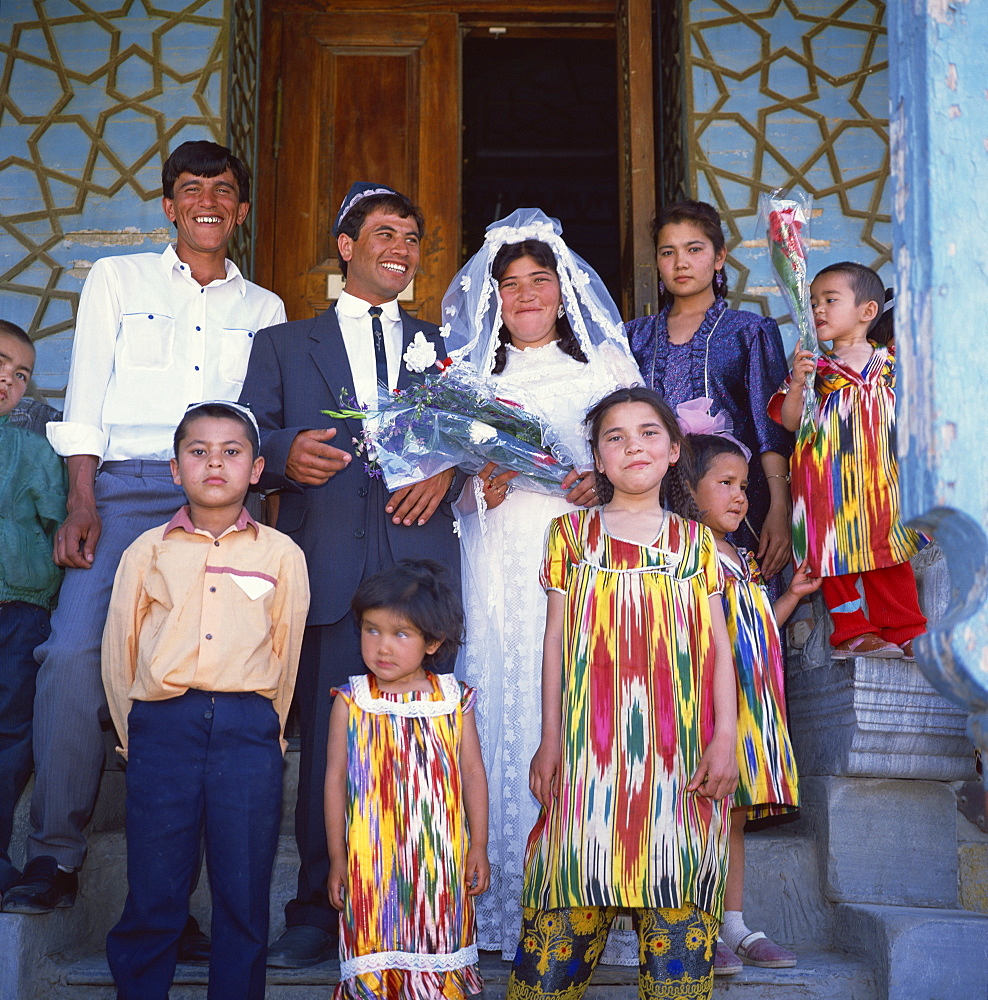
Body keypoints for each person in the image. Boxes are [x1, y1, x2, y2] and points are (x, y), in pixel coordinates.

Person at [1, 140, 285, 950]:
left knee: (203, 683)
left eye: (224, 190)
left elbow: (259, 420)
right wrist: (80, 498)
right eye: (191, 189)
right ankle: (54, 854)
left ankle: (178, 901)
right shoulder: (116, 281)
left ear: (240, 208)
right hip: (122, 490)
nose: (208, 201)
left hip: (222, 501)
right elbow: (87, 388)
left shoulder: (262, 308)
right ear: (168, 206)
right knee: (68, 658)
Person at [241, 182, 462, 967]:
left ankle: (412, 901)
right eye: (384, 233)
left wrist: (450, 472)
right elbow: (248, 437)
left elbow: (475, 438)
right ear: (346, 246)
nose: (399, 248)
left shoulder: (444, 343)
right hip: (326, 562)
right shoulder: (283, 344)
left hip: (420, 561)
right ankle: (313, 906)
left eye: (411, 237)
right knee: (332, 740)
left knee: (421, 741)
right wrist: (285, 453)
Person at [440, 208, 642, 957]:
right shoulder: (466, 379)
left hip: (582, 557)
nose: (526, 295)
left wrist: (603, 478)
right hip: (497, 554)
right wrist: (476, 490)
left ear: (563, 291)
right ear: (493, 296)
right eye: (510, 283)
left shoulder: (607, 371)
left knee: (578, 697)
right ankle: (498, 896)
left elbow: (643, 458)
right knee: (502, 687)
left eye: (539, 280)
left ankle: (584, 892)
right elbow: (444, 490)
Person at [506, 387, 738, 1000]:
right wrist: (550, 741)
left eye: (648, 433)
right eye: (615, 437)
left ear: (673, 452)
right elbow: (556, 643)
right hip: (590, 758)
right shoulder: (570, 535)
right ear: (599, 461)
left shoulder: (697, 543)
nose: (633, 445)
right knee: (565, 902)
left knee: (677, 901)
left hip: (679, 756)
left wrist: (726, 738)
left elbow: (719, 648)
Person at [101, 401, 308, 998]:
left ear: (256, 467)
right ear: (175, 469)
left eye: (231, 452)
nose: (214, 463)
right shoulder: (147, 551)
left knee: (243, 889)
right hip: (162, 725)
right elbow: (122, 651)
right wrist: (133, 733)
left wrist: (270, 729)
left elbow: (286, 651)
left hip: (248, 730)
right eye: (198, 451)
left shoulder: (279, 554)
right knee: (155, 885)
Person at [682, 421, 821, 974]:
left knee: (733, 818)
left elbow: (757, 627)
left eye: (744, 485)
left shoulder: (741, 556)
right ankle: (694, 922)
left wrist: (789, 596)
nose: (740, 495)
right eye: (726, 483)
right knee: (701, 818)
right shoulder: (689, 557)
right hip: (711, 710)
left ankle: (733, 924)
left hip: (754, 710)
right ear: (688, 490)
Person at [325, 560, 488, 999]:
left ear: (433, 641)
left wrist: (478, 846)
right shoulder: (352, 700)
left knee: (438, 951)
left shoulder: (454, 699)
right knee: (373, 952)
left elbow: (473, 772)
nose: (382, 647)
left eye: (401, 634)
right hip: (370, 864)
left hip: (439, 864)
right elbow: (336, 779)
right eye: (372, 630)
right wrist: (338, 858)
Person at [626, 200, 793, 586]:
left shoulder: (749, 331)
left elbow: (770, 428)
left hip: (736, 511)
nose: (680, 262)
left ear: (720, 257)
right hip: (653, 504)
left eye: (694, 249)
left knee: (739, 619)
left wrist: (780, 509)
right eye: (668, 252)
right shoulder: (633, 337)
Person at [768, 262, 927, 658]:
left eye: (830, 300)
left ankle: (908, 629)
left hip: (883, 483)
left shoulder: (891, 363)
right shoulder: (816, 369)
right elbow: (788, 421)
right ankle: (852, 631)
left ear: (867, 311)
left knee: (892, 552)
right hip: (827, 485)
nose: (818, 310)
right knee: (834, 556)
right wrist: (799, 382)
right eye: (813, 302)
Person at [0, 321, 67, 896]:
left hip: (20, 608)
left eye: (21, 375)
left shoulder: (31, 448)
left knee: (10, 732)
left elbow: (58, 522)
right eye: (0, 363)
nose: (8, 380)